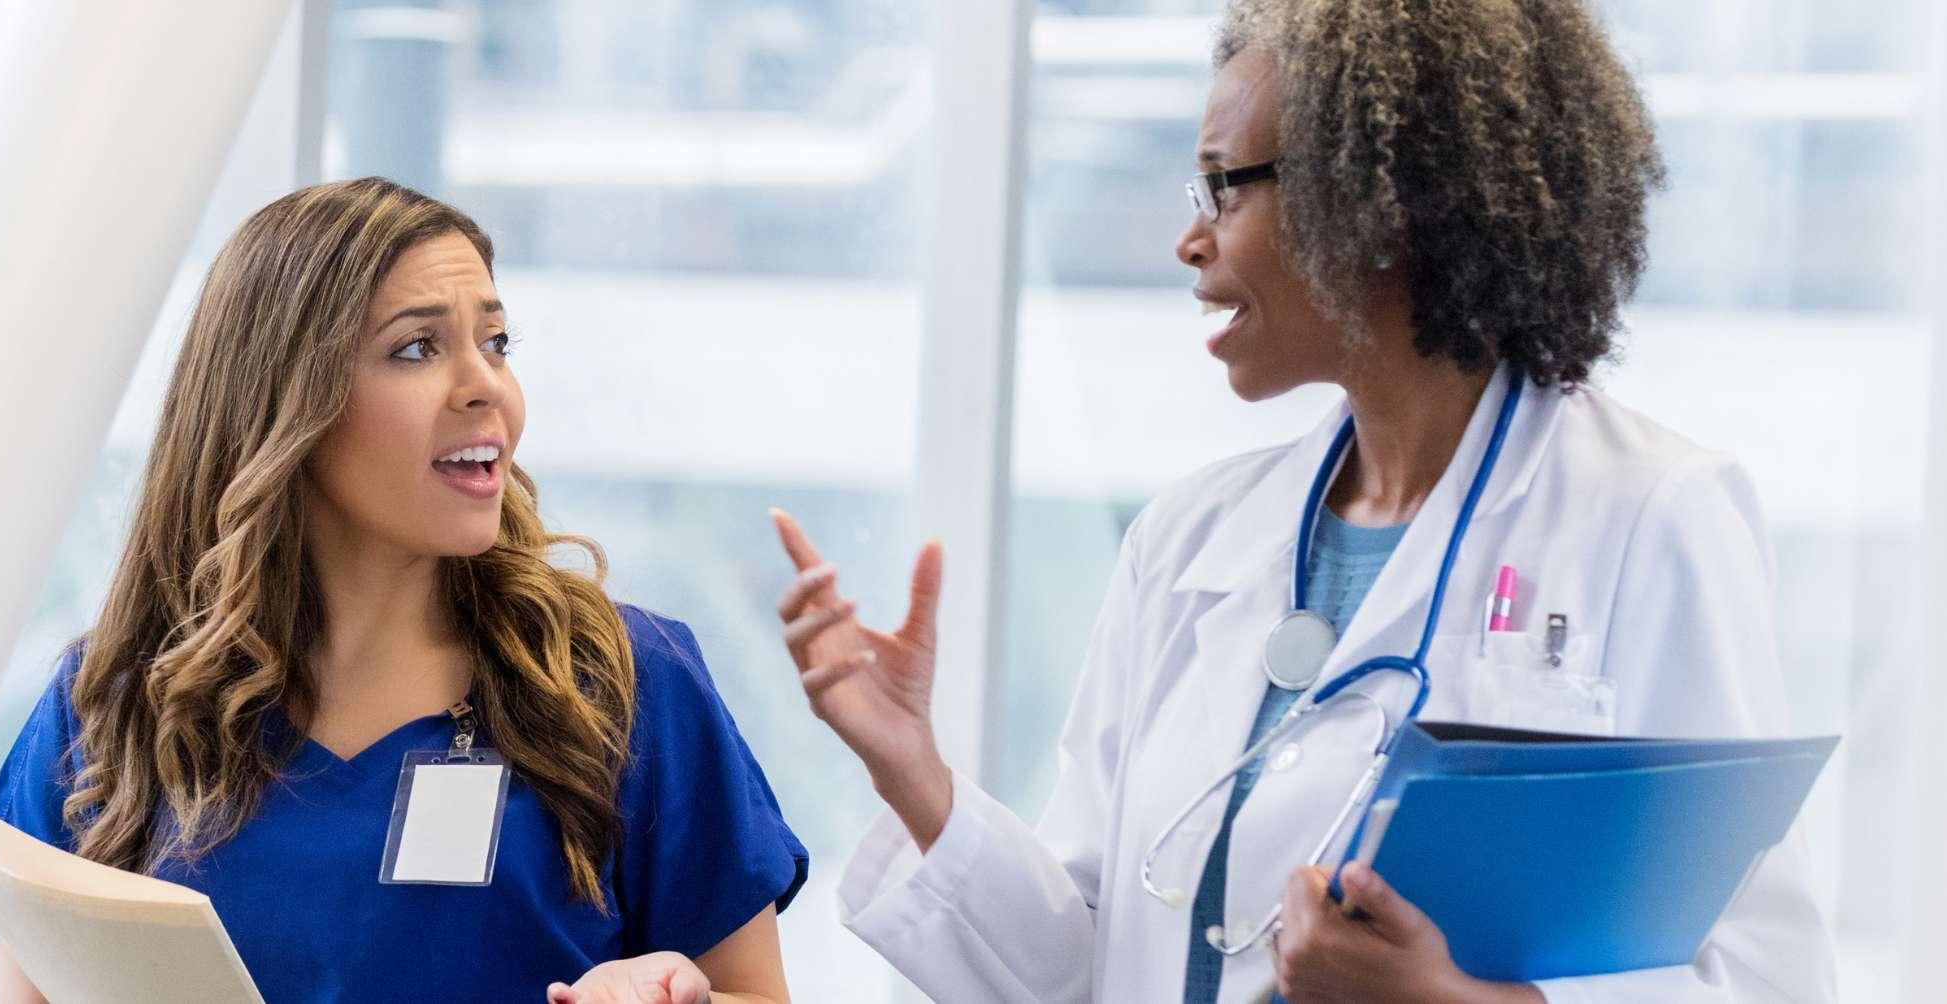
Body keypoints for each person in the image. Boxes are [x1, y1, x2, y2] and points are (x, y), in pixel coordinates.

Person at [768, 1, 1835, 1001]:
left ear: (1380, 198)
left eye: (1224, 186)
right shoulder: (1187, 539)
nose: (1190, 241)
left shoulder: (1650, 515)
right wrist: (913, 768)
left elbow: (1764, 974)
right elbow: (1089, 960)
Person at [0, 177, 803, 1004]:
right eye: (417, 348)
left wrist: (672, 995)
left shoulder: (624, 682)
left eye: (497, 342)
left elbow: (756, 995)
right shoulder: (114, 701)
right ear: (281, 402)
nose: (485, 386)